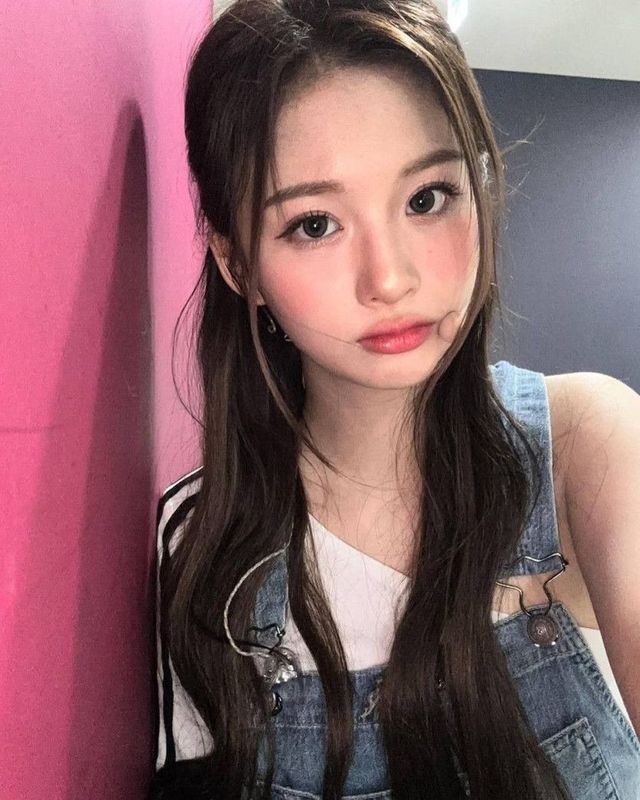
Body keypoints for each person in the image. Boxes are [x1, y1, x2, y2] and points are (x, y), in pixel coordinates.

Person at [149, 1, 640, 797]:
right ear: (239, 267)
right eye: (315, 224)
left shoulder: (584, 443)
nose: (390, 278)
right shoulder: (205, 544)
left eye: (427, 198)